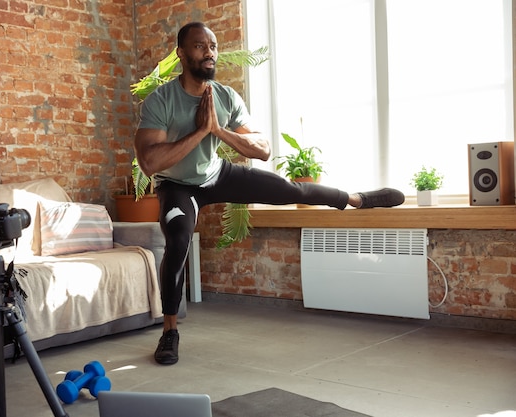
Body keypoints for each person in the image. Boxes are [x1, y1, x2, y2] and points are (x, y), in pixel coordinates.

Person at [134, 22, 405, 365]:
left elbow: (262, 149)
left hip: (218, 174)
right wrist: (202, 131)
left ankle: (355, 199)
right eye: (200, 46)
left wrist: (218, 130)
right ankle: (169, 332)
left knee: (289, 189)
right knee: (177, 242)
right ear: (182, 53)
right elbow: (150, 161)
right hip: (177, 186)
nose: (210, 52)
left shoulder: (225, 96)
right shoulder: (162, 100)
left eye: (213, 46)